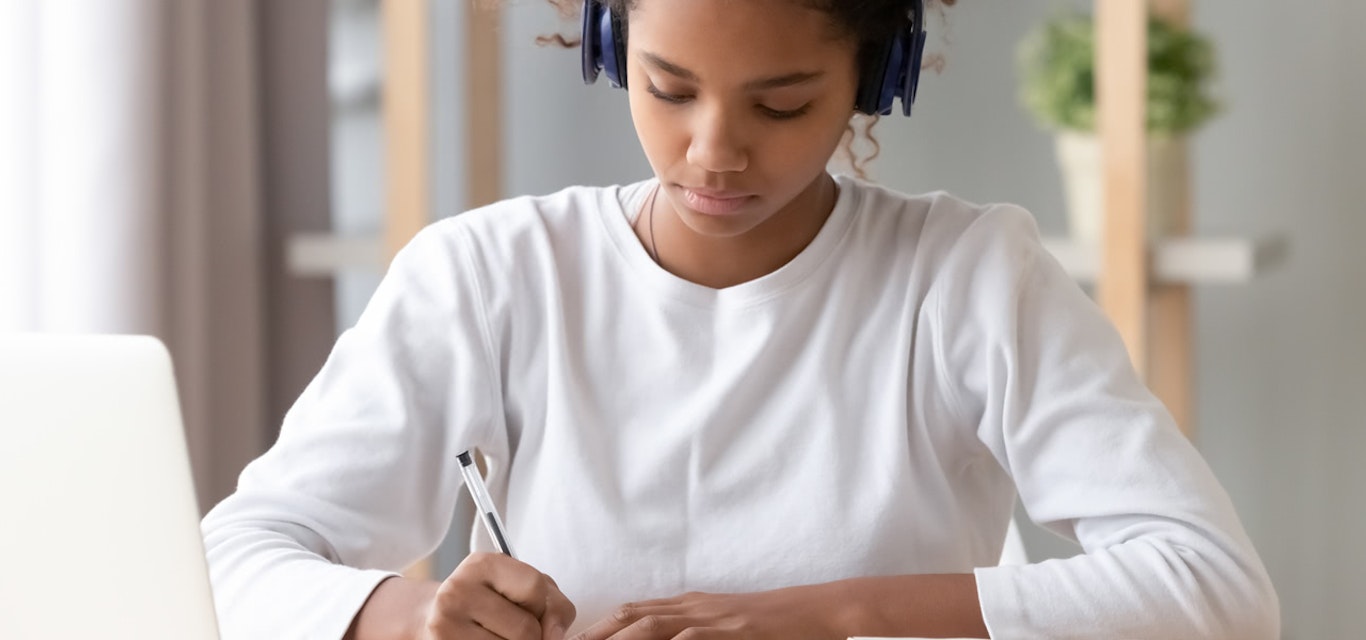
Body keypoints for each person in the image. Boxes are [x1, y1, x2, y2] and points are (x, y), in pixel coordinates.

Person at [201, 0, 1281, 637]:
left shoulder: (967, 275)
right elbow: (233, 554)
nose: (714, 151)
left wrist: (824, 617)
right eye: (668, 89)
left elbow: (1215, 587)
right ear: (608, 43)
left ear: (875, 75)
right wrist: (407, 615)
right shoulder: (488, 269)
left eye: (780, 104)